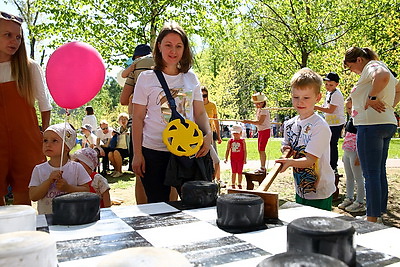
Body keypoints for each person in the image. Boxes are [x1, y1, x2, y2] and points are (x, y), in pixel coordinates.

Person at [131, 21, 212, 203]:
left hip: (188, 150)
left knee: (193, 204)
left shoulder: (191, 78)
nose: (173, 51)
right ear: (159, 46)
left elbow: (199, 113)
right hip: (154, 152)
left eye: (178, 46)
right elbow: (137, 118)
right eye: (168, 45)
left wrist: (208, 135)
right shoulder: (146, 78)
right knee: (157, 205)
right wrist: (137, 154)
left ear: (184, 49)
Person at [0, 12, 52, 206]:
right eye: (8, 35)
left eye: (18, 37)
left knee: (24, 194)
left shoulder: (29, 67)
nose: (14, 40)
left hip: (26, 140)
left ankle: (25, 235)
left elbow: (45, 105)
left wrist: (42, 134)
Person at [343, 47, 400, 222]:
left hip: (371, 125)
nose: (352, 71)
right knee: (379, 171)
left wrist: (373, 98)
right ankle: (379, 212)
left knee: (370, 173)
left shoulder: (372, 66)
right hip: (386, 123)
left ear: (359, 60)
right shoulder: (378, 66)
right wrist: (389, 106)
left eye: (350, 66)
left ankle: (372, 218)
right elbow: (399, 89)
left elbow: (381, 75)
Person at [275, 68, 336, 211]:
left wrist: (289, 162)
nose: (300, 102)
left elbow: (310, 160)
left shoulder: (320, 126)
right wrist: (285, 150)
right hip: (300, 187)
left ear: (318, 97)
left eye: (306, 98)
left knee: (318, 229)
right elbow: (286, 146)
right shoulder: (289, 124)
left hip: (320, 190)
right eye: (296, 97)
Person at [28, 123, 91, 214]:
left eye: (54, 141)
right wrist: (49, 181)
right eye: (45, 140)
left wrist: (68, 188)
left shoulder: (77, 168)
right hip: (48, 219)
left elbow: (86, 191)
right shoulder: (39, 169)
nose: (48, 144)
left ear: (67, 147)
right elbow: (33, 196)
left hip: (72, 216)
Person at [338, 97, 366, 212]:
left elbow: (362, 139)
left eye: (351, 107)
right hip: (348, 151)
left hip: (356, 152)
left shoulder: (361, 119)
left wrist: (359, 156)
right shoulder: (351, 119)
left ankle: (360, 201)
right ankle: (349, 198)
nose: (349, 110)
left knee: (359, 178)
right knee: (349, 177)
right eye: (347, 108)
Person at [314, 72, 345, 174]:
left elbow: (330, 110)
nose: (328, 87)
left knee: (332, 144)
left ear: (336, 84)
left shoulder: (336, 94)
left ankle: (333, 166)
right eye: (326, 84)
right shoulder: (329, 93)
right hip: (329, 122)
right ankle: (328, 164)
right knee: (327, 144)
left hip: (336, 123)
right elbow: (325, 106)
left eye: (330, 85)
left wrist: (316, 107)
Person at [120, 44, 154, 116]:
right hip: (158, 113)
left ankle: (131, 120)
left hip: (139, 112)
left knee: (132, 99)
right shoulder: (163, 65)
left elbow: (123, 100)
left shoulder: (135, 67)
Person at [242, 92, 271, 174]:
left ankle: (263, 167)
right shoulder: (259, 110)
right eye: (255, 104)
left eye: (258, 104)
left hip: (265, 131)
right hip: (261, 131)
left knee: (262, 149)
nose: (256, 105)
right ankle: (262, 166)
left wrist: (248, 121)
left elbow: (260, 122)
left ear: (263, 102)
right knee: (260, 149)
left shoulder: (264, 110)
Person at [201, 86, 223, 186]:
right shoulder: (197, 105)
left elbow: (216, 121)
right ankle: (207, 177)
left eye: (205, 95)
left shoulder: (212, 105)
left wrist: (218, 135)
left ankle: (218, 179)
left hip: (211, 133)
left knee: (215, 158)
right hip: (201, 134)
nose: (203, 97)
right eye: (201, 95)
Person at [108, 113, 130, 178]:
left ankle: (119, 171)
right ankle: (116, 170)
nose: (123, 121)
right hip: (118, 147)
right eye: (121, 119)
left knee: (116, 152)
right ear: (118, 121)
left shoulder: (130, 129)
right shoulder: (117, 130)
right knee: (110, 154)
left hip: (127, 148)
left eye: (125, 119)